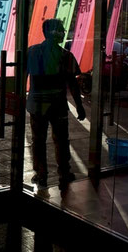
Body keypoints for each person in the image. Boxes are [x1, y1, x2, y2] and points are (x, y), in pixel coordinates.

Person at [27, 18, 86, 190]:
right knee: (61, 140)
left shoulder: (32, 52)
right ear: (49, 32)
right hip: (58, 105)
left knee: (38, 140)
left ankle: (41, 174)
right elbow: (73, 84)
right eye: (59, 29)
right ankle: (64, 173)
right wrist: (79, 105)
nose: (62, 32)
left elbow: (22, 76)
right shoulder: (66, 56)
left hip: (37, 105)